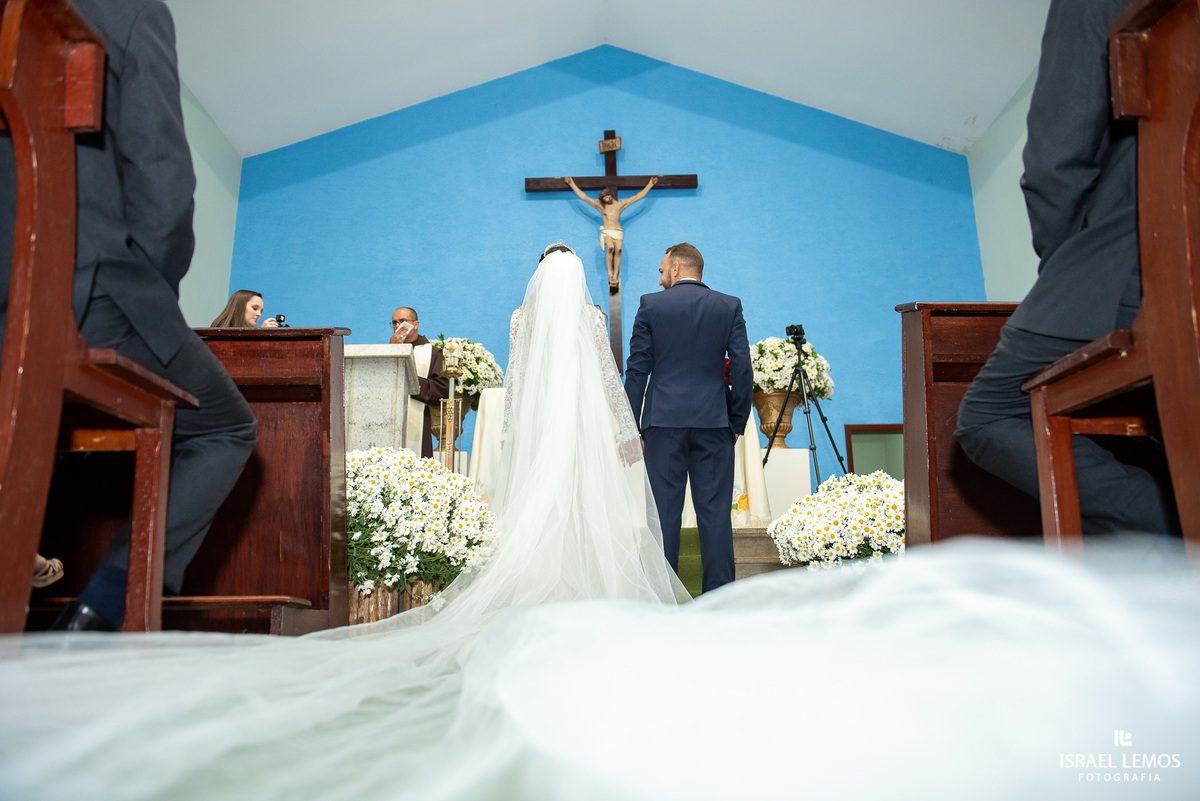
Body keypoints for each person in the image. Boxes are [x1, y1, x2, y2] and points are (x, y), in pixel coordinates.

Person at [0, 0, 257, 630]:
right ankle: (100, 610)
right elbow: (163, 185)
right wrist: (147, 288)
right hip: (79, 286)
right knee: (227, 428)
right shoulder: (125, 8)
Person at [955, 0, 1177, 535]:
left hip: (1138, 262)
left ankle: (1170, 525)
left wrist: (1066, 270)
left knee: (988, 416)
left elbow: (1058, 160)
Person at [625, 243, 753, 593]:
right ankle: (720, 598)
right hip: (714, 422)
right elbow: (742, 368)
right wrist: (736, 422)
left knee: (664, 515)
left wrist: (630, 427)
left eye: (663, 268)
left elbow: (637, 372)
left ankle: (665, 597)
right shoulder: (728, 306)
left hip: (663, 423)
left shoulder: (651, 305)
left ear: (677, 268)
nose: (661, 275)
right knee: (714, 515)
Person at [564, 175, 658, 288]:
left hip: (618, 231)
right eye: (604, 197)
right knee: (610, 248)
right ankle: (609, 274)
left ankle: (615, 275)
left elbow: (638, 196)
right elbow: (584, 197)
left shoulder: (619, 205)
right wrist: (571, 183)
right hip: (608, 231)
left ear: (611, 195)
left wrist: (650, 184)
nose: (607, 198)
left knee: (618, 250)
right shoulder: (601, 207)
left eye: (607, 195)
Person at [389, 306, 448, 459]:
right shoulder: (387, 352)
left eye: (402, 321)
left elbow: (441, 390)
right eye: (394, 323)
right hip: (389, 422)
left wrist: (409, 380)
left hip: (419, 423)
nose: (397, 326)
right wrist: (392, 351)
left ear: (415, 324)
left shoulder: (433, 353)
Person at [210, 289, 280, 328]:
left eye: (261, 311)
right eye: (255, 308)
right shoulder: (218, 332)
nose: (259, 314)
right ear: (239, 307)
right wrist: (262, 334)